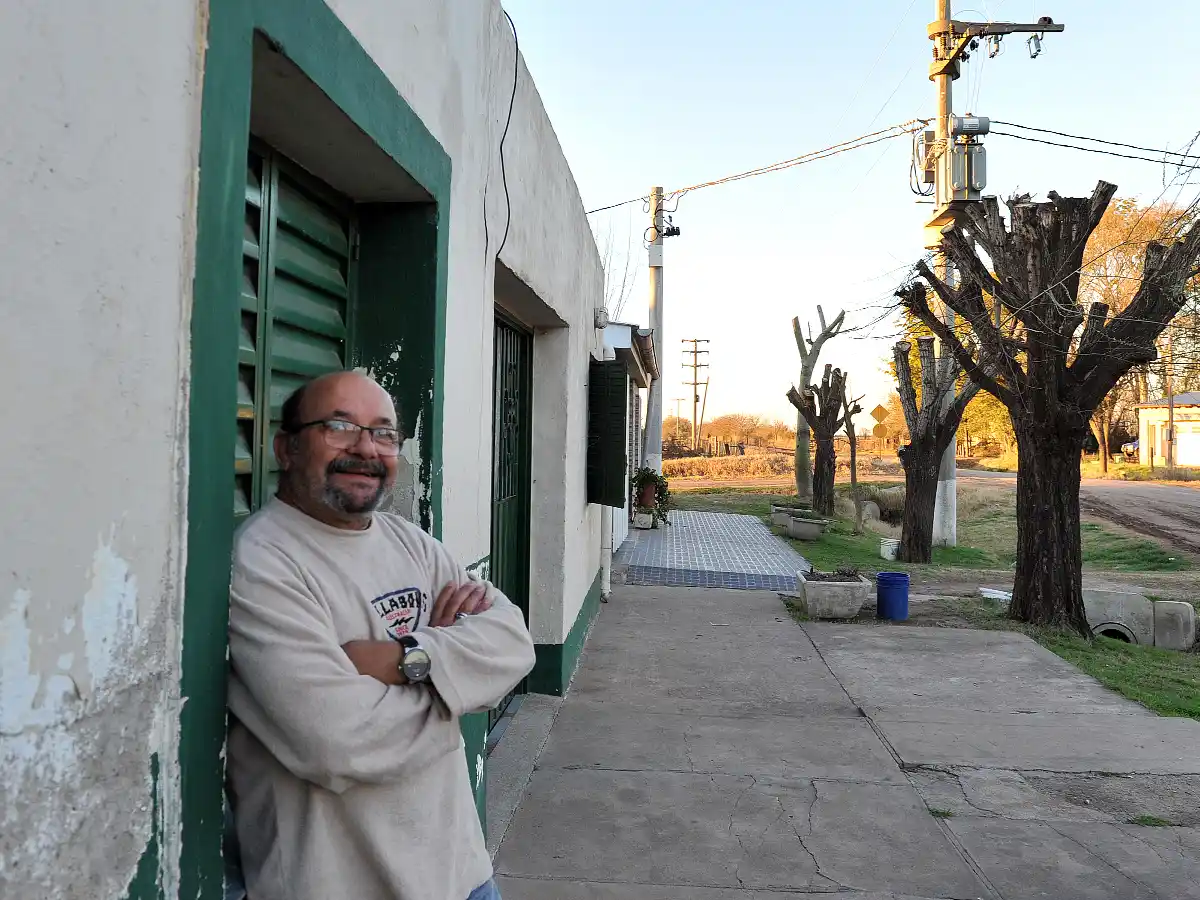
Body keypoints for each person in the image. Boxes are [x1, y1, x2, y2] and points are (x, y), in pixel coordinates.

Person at [226, 371, 535, 900]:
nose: (365, 448)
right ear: (287, 447)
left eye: (384, 432)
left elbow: (512, 642)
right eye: (340, 426)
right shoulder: (260, 560)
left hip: (463, 874)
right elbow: (339, 743)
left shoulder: (410, 542)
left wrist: (405, 659)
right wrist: (457, 694)